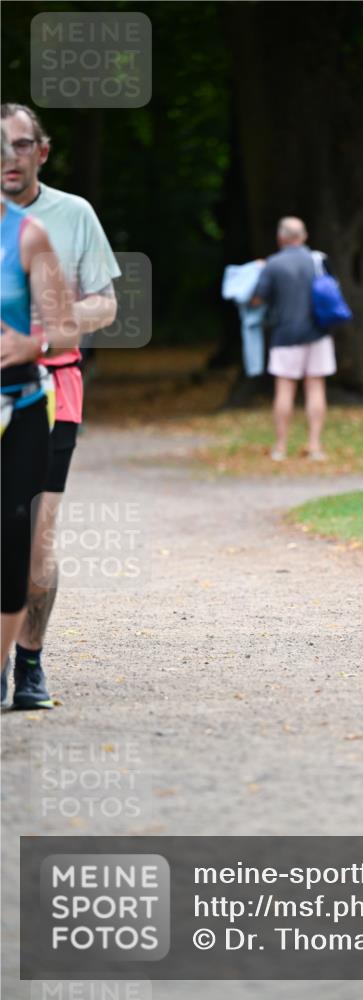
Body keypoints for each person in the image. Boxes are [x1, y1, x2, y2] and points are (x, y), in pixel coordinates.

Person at [1, 103, 120, 709]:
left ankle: (29, 664)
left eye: (23, 145)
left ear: (40, 152)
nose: (12, 157)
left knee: (35, 538)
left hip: (50, 388)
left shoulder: (73, 215)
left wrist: (62, 322)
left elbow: (106, 303)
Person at [1, 168, 78, 703]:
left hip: (31, 400)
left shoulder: (38, 231)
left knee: (27, 541)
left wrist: (36, 342)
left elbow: (69, 322)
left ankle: (24, 663)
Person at [252, 216, 336, 461]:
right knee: (316, 387)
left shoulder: (272, 264)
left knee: (285, 390)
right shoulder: (318, 260)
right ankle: (315, 446)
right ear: (304, 236)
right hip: (318, 333)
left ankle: (280, 447)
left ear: (281, 238)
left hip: (285, 334)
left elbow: (257, 300)